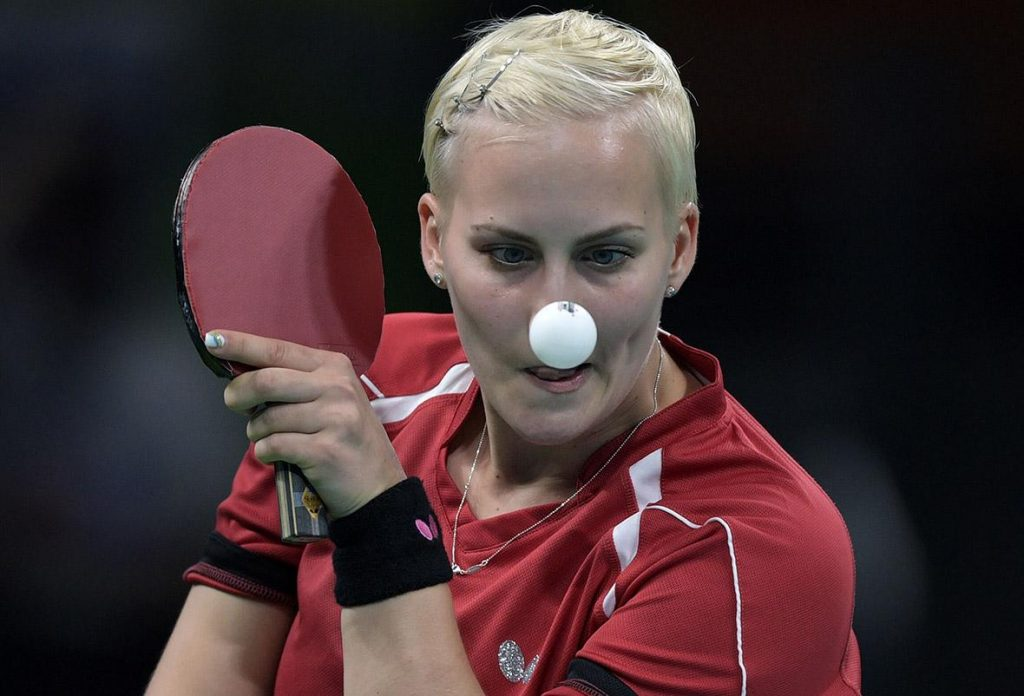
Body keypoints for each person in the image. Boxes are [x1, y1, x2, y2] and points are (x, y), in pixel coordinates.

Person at [148, 10, 861, 695]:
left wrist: (378, 520)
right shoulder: (361, 392)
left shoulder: (746, 548)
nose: (558, 317)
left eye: (605, 256)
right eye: (510, 254)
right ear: (435, 241)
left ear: (678, 249)